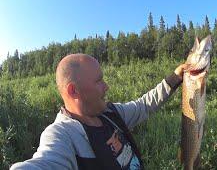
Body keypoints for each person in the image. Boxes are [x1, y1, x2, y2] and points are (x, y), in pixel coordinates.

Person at [10, 53, 188, 170]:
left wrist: (176, 77)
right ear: (74, 91)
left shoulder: (111, 113)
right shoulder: (61, 135)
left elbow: (144, 105)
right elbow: (44, 163)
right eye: (99, 81)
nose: (106, 86)